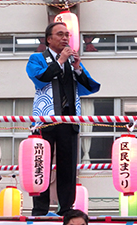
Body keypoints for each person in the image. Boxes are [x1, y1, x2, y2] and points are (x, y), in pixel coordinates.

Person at [26, 22, 100, 216]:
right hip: (45, 119)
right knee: (41, 165)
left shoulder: (71, 60)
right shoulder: (37, 58)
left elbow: (88, 86)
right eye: (60, 34)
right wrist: (60, 61)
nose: (65, 38)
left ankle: (66, 208)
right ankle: (40, 209)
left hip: (68, 119)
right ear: (49, 39)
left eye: (67, 34)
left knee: (68, 166)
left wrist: (77, 68)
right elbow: (40, 78)